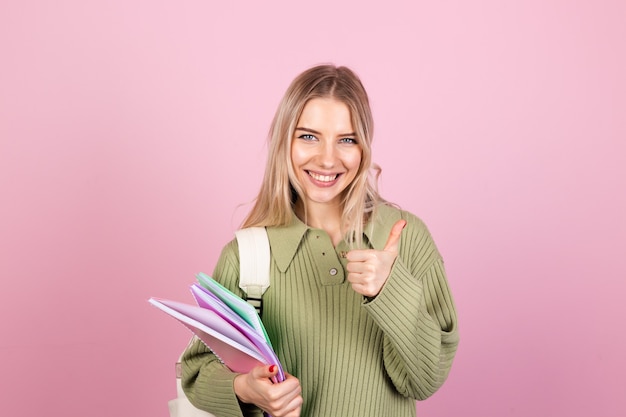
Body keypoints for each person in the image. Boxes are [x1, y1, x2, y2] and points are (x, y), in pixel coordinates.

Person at [182, 64, 459, 417]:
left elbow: (425, 379)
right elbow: (196, 372)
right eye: (308, 136)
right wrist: (245, 389)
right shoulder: (247, 254)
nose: (327, 159)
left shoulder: (407, 237)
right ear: (286, 141)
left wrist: (390, 290)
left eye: (347, 139)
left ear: (364, 148)